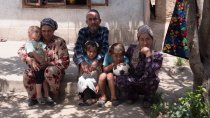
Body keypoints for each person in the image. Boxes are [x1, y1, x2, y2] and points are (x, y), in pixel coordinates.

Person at [18, 18, 70, 106]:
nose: (46, 33)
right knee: (28, 73)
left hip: (54, 70)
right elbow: (21, 50)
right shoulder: (37, 39)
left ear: (53, 30)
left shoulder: (59, 42)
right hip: (38, 69)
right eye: (43, 31)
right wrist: (29, 59)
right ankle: (33, 97)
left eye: (49, 31)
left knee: (49, 71)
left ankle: (53, 95)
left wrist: (49, 63)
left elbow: (65, 61)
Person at [116, 25, 163, 107]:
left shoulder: (157, 55)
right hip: (133, 81)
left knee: (155, 80)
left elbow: (150, 73)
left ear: (152, 39)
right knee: (120, 79)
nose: (145, 42)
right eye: (142, 39)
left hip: (146, 83)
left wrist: (148, 55)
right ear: (138, 40)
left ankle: (147, 98)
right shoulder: (132, 49)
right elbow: (123, 61)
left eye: (148, 39)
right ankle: (133, 96)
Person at [73, 9, 109, 75]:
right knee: (76, 54)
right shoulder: (82, 31)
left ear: (100, 21)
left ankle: (99, 72)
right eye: (90, 19)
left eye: (95, 19)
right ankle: (82, 71)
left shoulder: (104, 30)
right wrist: (82, 62)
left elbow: (105, 47)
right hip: (86, 56)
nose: (93, 22)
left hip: (99, 56)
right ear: (86, 22)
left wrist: (97, 60)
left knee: (108, 54)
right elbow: (78, 46)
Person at [97, 43, 129, 107]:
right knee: (102, 76)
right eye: (116, 56)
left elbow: (126, 72)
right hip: (107, 75)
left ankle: (113, 97)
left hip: (116, 80)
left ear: (123, 55)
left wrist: (122, 65)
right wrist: (113, 64)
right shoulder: (107, 56)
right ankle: (103, 96)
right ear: (111, 54)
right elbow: (105, 69)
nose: (119, 58)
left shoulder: (125, 59)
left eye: (121, 56)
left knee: (110, 76)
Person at [25, 26, 48, 105]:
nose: (39, 34)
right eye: (36, 32)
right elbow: (32, 53)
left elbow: (45, 51)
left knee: (43, 78)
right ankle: (38, 96)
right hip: (36, 65)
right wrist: (40, 60)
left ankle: (46, 95)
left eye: (39, 32)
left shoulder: (40, 43)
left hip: (42, 64)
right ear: (30, 34)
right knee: (39, 78)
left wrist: (45, 60)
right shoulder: (29, 43)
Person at [77, 41, 101, 106]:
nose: (92, 54)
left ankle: (88, 100)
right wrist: (84, 69)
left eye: (94, 52)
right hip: (85, 80)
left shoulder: (97, 62)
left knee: (88, 82)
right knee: (82, 80)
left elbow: (99, 74)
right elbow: (80, 73)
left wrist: (98, 84)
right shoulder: (83, 61)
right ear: (86, 51)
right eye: (90, 52)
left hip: (93, 82)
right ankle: (88, 99)